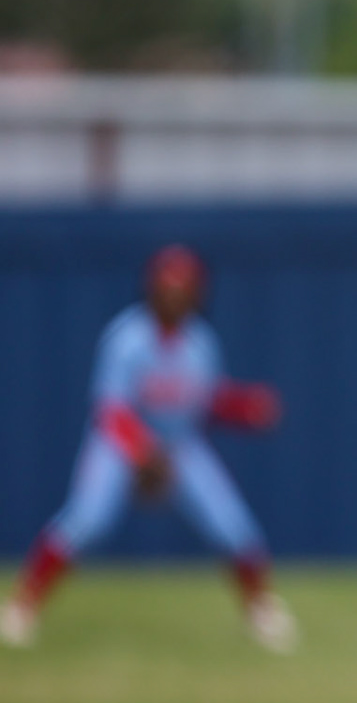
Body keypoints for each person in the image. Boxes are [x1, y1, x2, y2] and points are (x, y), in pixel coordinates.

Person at [1, 245, 297, 653]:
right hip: (121, 441)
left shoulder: (200, 342)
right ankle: (23, 606)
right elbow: (111, 412)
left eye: (184, 288)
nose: (175, 296)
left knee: (231, 523)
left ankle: (261, 610)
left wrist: (244, 408)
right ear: (152, 289)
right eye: (168, 287)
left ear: (197, 293)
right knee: (87, 520)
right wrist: (143, 453)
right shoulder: (127, 337)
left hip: (179, 442)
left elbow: (202, 403)